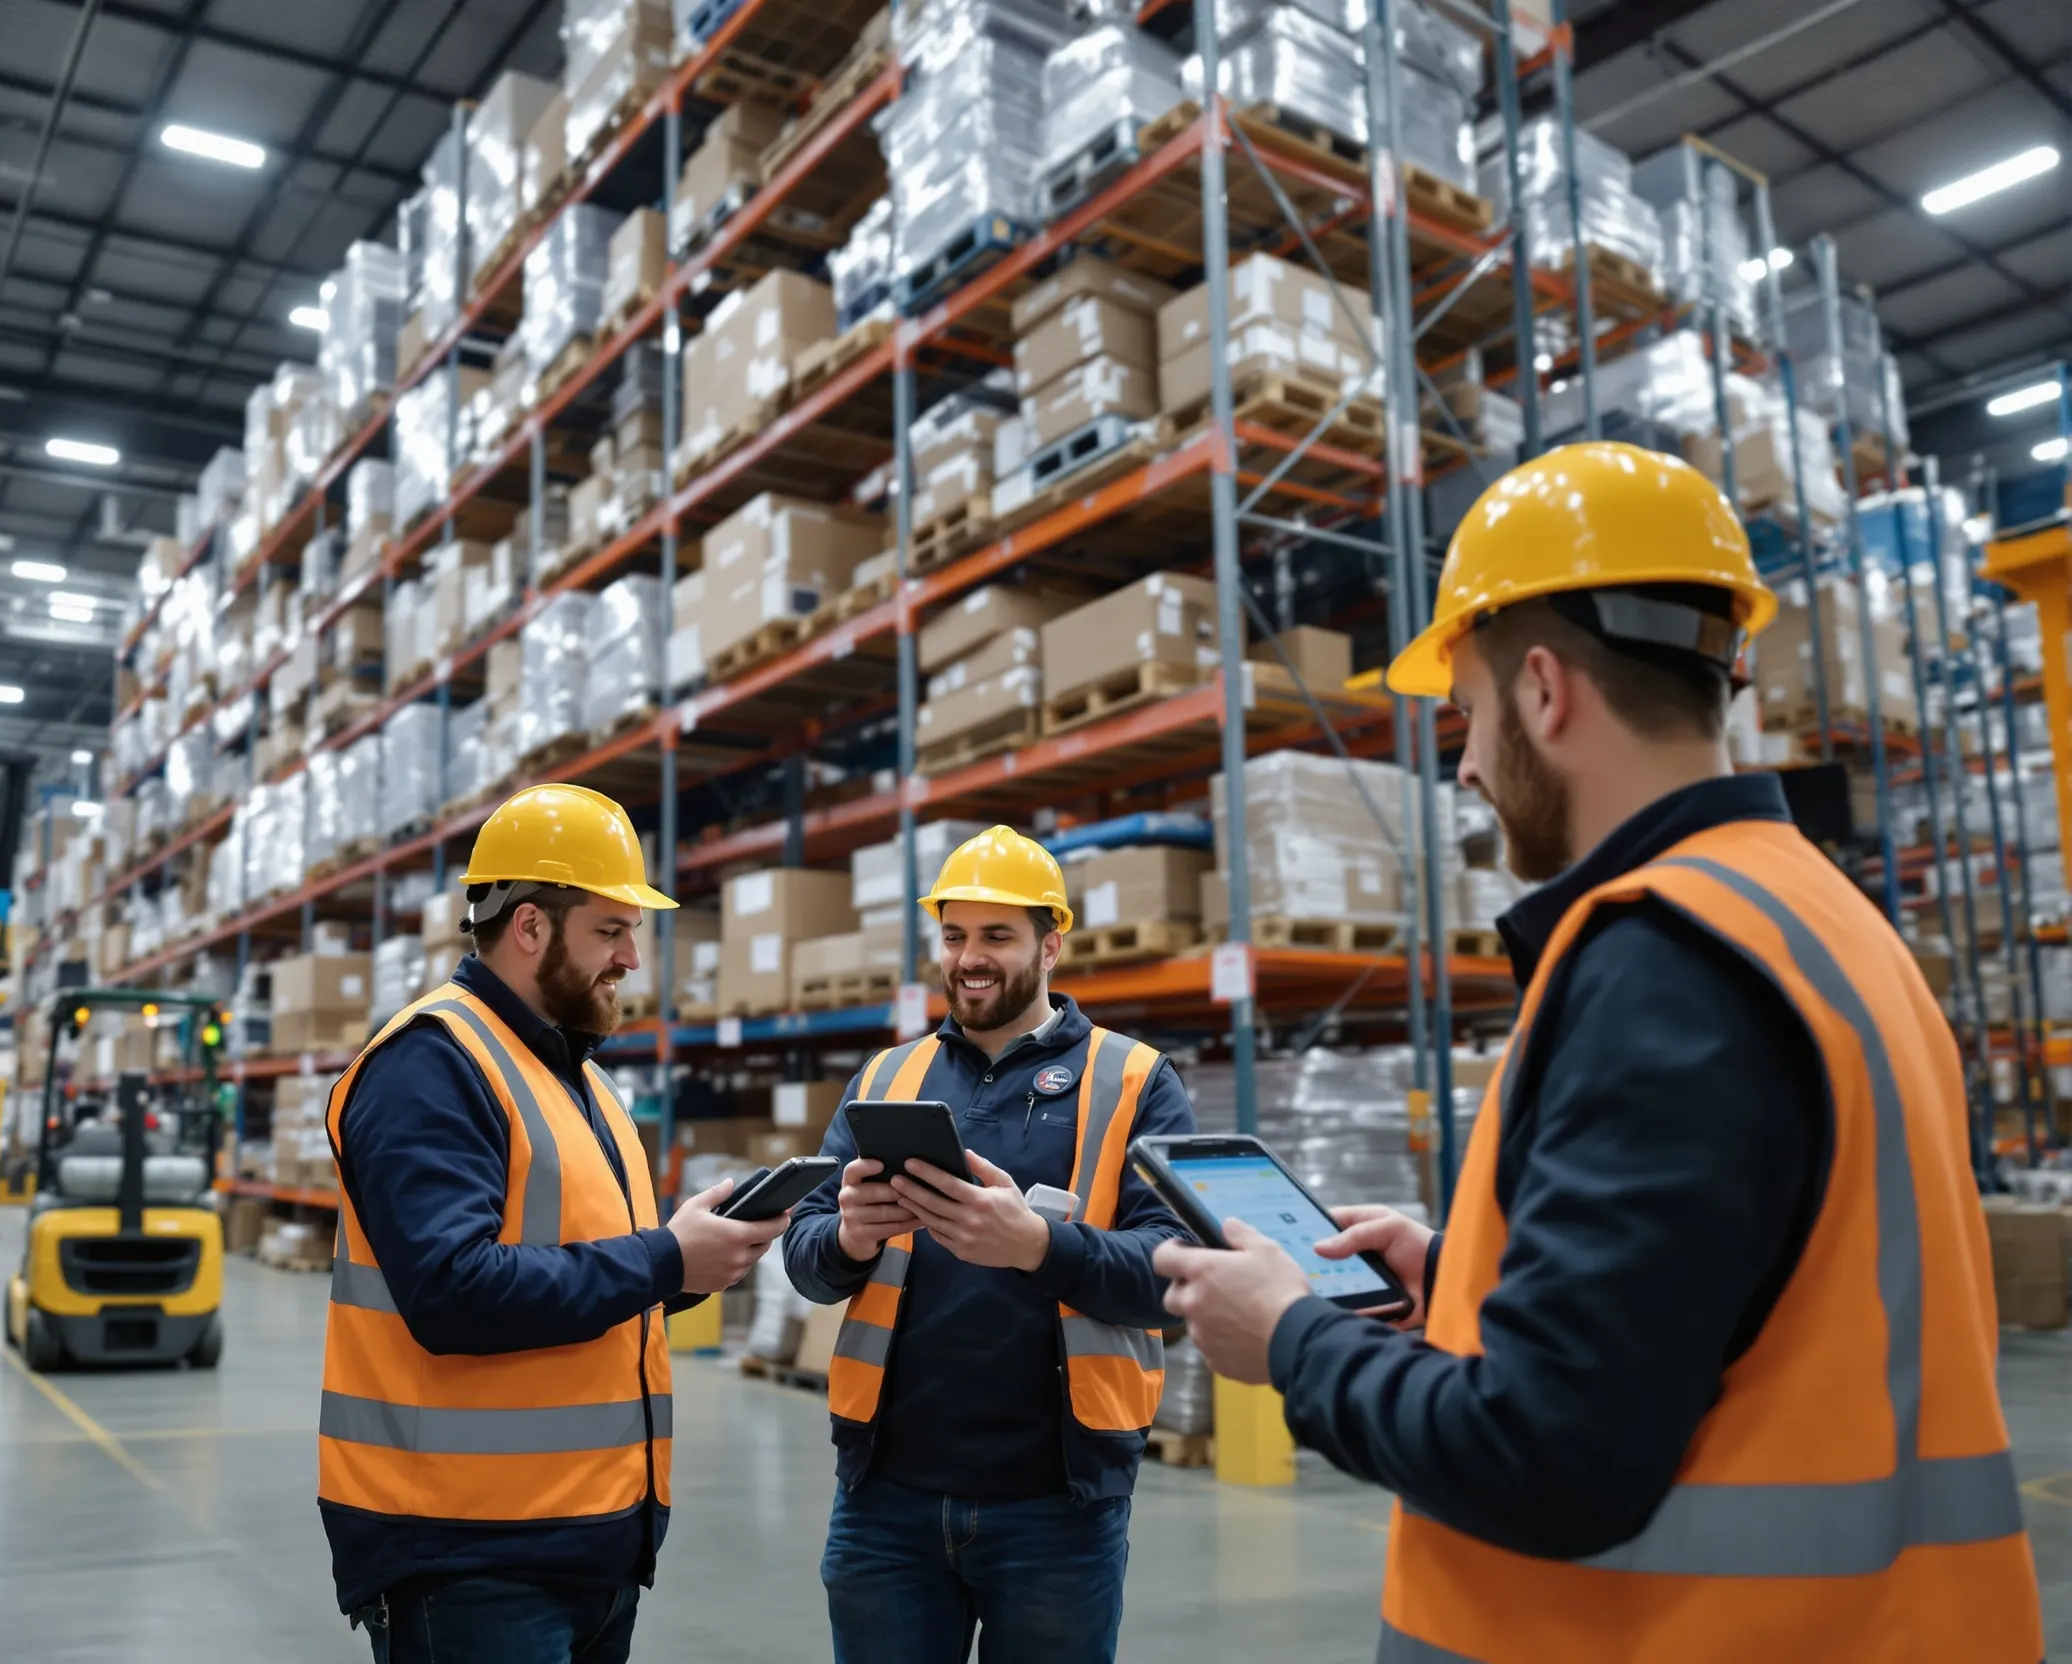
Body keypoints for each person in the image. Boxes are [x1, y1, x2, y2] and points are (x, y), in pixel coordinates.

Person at [1152, 442, 2043, 1660]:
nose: (1462, 763)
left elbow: (1550, 1456)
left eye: (1464, 711)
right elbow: (1751, 1285)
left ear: (1544, 690)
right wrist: (1464, 1270)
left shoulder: (1663, 960)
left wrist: (1294, 1338)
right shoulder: (1822, 921)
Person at [317, 782, 791, 1664]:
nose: (631, 961)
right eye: (610, 931)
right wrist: (662, 1258)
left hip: (589, 1545)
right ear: (530, 926)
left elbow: (589, 1280)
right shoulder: (433, 1063)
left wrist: (691, 1265)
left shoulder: (582, 1081)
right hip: (469, 1553)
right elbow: (451, 1293)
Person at [782, 826, 1196, 1664]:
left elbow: (1175, 1277)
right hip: (883, 1501)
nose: (970, 958)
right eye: (955, 935)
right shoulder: (885, 1079)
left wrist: (1040, 1246)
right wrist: (849, 1240)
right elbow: (804, 1253)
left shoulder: (1135, 1081)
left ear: (1050, 944)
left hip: (1057, 1507)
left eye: (996, 937)